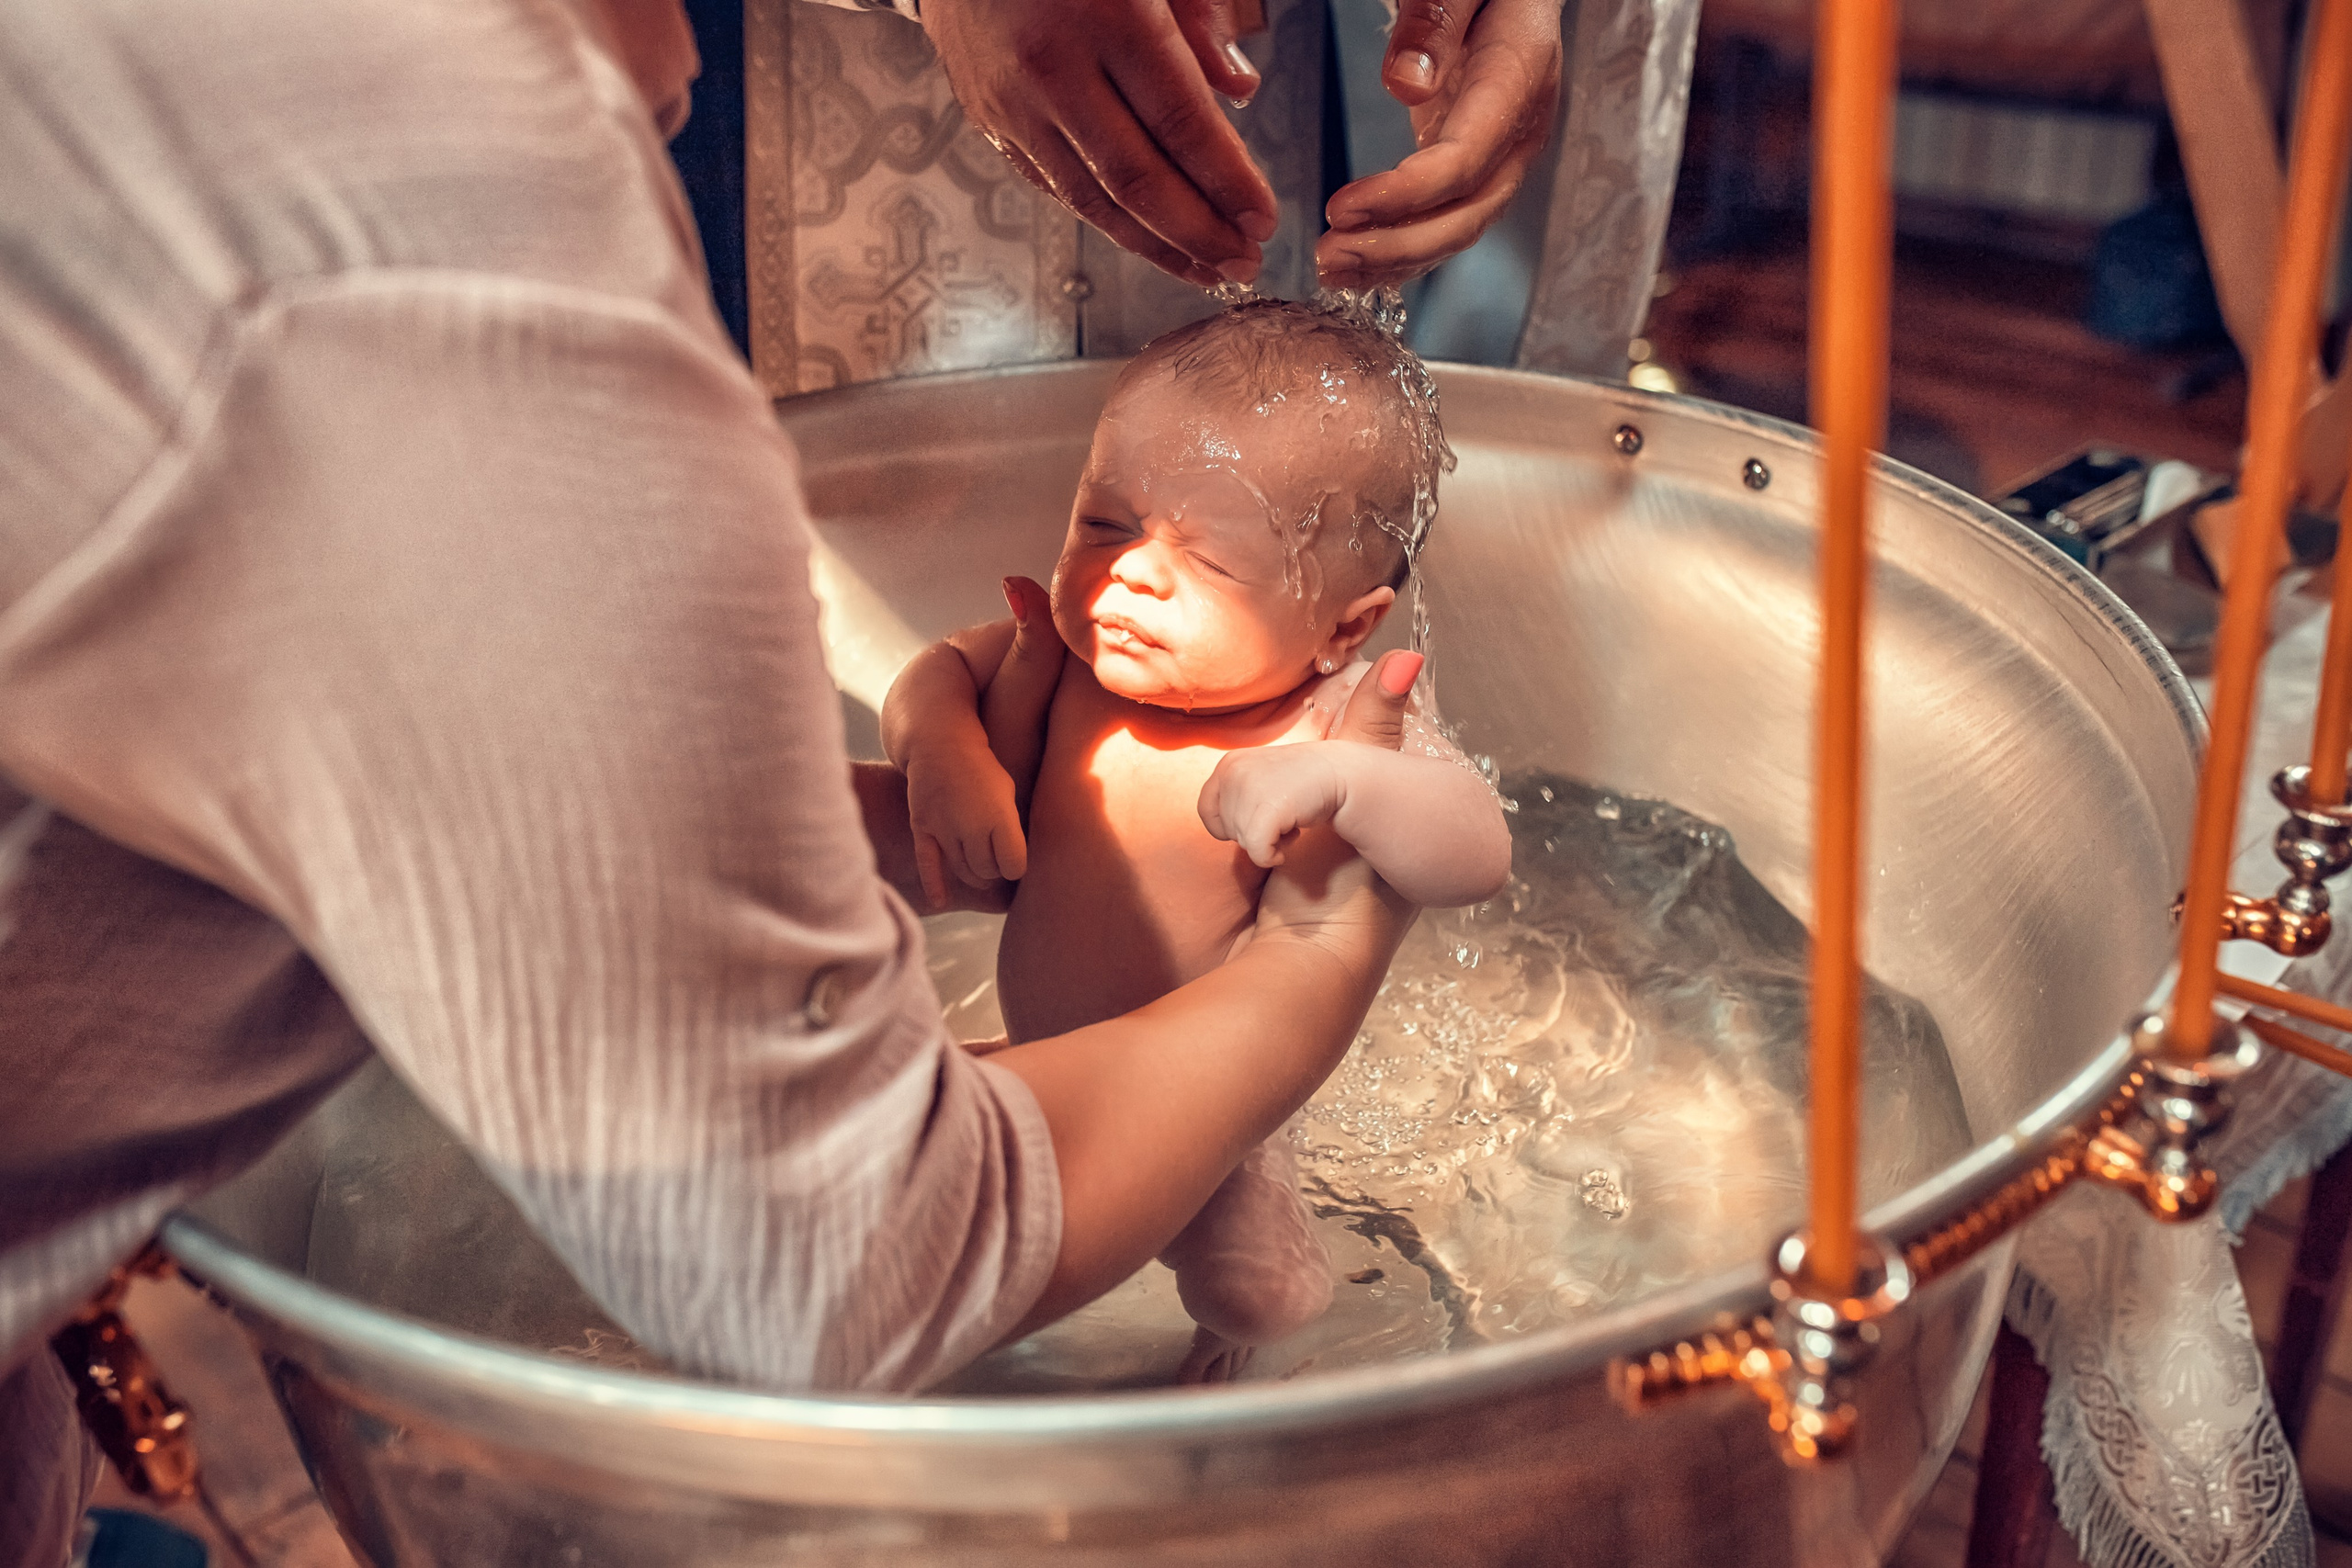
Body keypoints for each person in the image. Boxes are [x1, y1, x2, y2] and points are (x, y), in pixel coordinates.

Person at [0, 0, 1422, 1561]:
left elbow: (486, 804)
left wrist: (906, 834)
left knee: (1249, 1267)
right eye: (1099, 524)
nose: (702, 66)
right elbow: (835, 1257)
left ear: (1347, 622)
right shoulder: (435, 272)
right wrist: (1317, 954)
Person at [882, 299, 1511, 1376]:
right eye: (1104, 524)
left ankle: (1229, 1349)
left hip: (1214, 1130)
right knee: (881, 1134)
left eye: (1208, 564)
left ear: (1344, 627)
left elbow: (1475, 849)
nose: (1130, 574)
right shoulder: (1065, 665)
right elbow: (932, 674)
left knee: (1256, 1291)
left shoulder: (1331, 717)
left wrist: (1345, 779)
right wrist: (945, 755)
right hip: (1050, 1063)